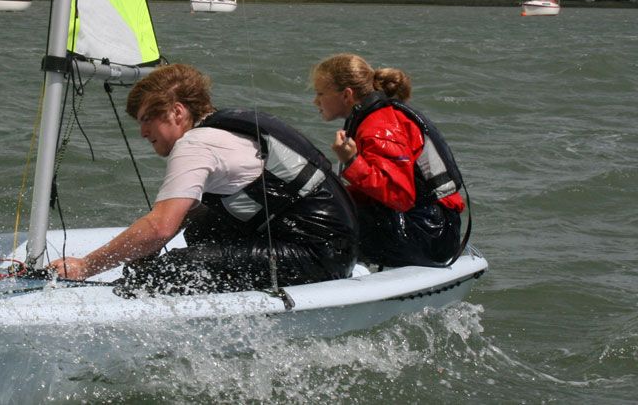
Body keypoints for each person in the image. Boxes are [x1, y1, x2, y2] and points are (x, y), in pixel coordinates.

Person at [48, 63, 357, 296]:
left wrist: (86, 266)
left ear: (177, 112)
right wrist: (142, 249)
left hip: (318, 257)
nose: (142, 133)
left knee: (174, 268)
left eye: (146, 120)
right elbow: (177, 220)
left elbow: (159, 226)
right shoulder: (222, 130)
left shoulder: (196, 144)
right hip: (334, 248)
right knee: (201, 224)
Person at [311, 53, 468, 268]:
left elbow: (400, 196)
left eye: (320, 93)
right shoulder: (371, 118)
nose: (315, 101)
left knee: (319, 217)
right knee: (325, 202)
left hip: (432, 233)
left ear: (346, 95)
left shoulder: (379, 128)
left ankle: (323, 277)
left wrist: (353, 161)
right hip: (430, 225)